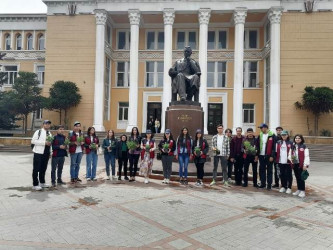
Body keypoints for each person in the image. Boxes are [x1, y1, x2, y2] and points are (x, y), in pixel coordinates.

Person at [31, 120, 53, 191]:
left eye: (49, 124)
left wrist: (50, 152)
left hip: (46, 153)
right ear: (43, 124)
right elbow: (33, 141)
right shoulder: (38, 132)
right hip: (38, 153)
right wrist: (44, 142)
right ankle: (35, 184)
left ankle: (42, 182)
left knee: (43, 168)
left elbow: (50, 144)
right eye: (46, 124)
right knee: (36, 169)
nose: (47, 125)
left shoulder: (49, 133)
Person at [256, 123, 276, 190]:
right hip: (261, 155)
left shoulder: (272, 135)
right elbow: (257, 145)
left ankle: (269, 185)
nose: (261, 129)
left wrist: (272, 156)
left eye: (261, 128)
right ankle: (263, 183)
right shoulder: (260, 135)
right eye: (260, 128)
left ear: (266, 128)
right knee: (262, 170)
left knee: (269, 170)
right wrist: (257, 154)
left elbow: (274, 147)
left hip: (269, 156)